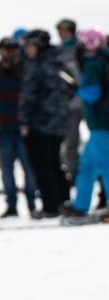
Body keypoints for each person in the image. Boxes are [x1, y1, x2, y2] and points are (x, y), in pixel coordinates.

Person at [0, 37, 38, 218]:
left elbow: (33, 99)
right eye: (5, 49)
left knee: (28, 167)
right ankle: (11, 205)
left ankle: (32, 203)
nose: (9, 52)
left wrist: (30, 122)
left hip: (23, 129)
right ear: (0, 51)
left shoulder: (25, 72)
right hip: (1, 128)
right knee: (6, 169)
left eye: (12, 49)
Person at [18, 28, 72, 218]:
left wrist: (24, 121)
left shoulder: (35, 66)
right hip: (58, 123)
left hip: (39, 124)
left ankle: (50, 205)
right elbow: (71, 87)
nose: (27, 50)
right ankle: (63, 200)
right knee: (55, 163)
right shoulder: (58, 62)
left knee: (43, 166)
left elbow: (28, 97)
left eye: (30, 46)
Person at [66, 27, 109, 216]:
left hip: (102, 124)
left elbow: (92, 94)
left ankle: (81, 205)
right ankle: (80, 205)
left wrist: (75, 89)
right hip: (99, 124)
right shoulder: (103, 60)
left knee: (104, 166)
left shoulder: (93, 64)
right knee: (88, 165)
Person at [56, 18, 83, 184]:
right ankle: (71, 172)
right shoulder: (57, 51)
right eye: (60, 30)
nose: (62, 34)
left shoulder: (81, 49)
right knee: (65, 142)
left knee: (73, 141)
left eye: (65, 30)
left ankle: (77, 173)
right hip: (63, 103)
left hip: (81, 100)